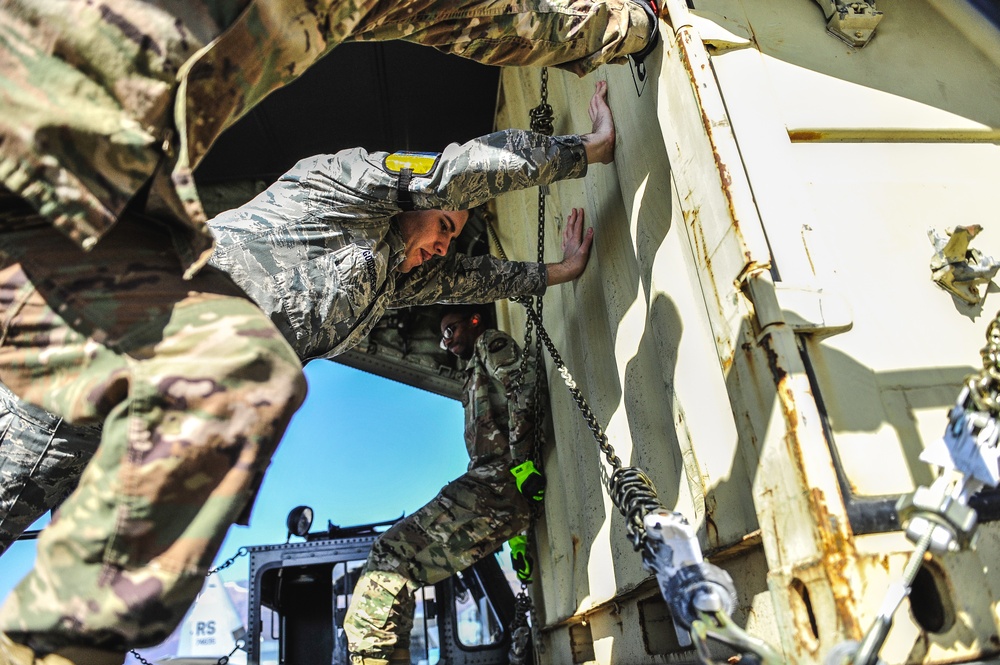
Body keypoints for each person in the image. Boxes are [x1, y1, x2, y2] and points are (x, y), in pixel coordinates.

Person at [0, 54, 617, 661]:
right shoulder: (342, 186)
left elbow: (470, 278)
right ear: (413, 202)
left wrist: (556, 271)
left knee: (93, 610)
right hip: (98, 362)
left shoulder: (391, 275)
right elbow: (454, 172)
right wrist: (583, 151)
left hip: (154, 419)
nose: (443, 244)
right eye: (444, 227)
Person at [343, 306, 543, 665]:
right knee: (399, 563)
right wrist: (517, 541)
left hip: (497, 479)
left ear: (474, 321)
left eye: (451, 330)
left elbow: (522, 388)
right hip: (496, 487)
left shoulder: (489, 343)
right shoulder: (470, 375)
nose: (446, 341)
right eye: (442, 336)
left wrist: (524, 460)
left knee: (391, 555)